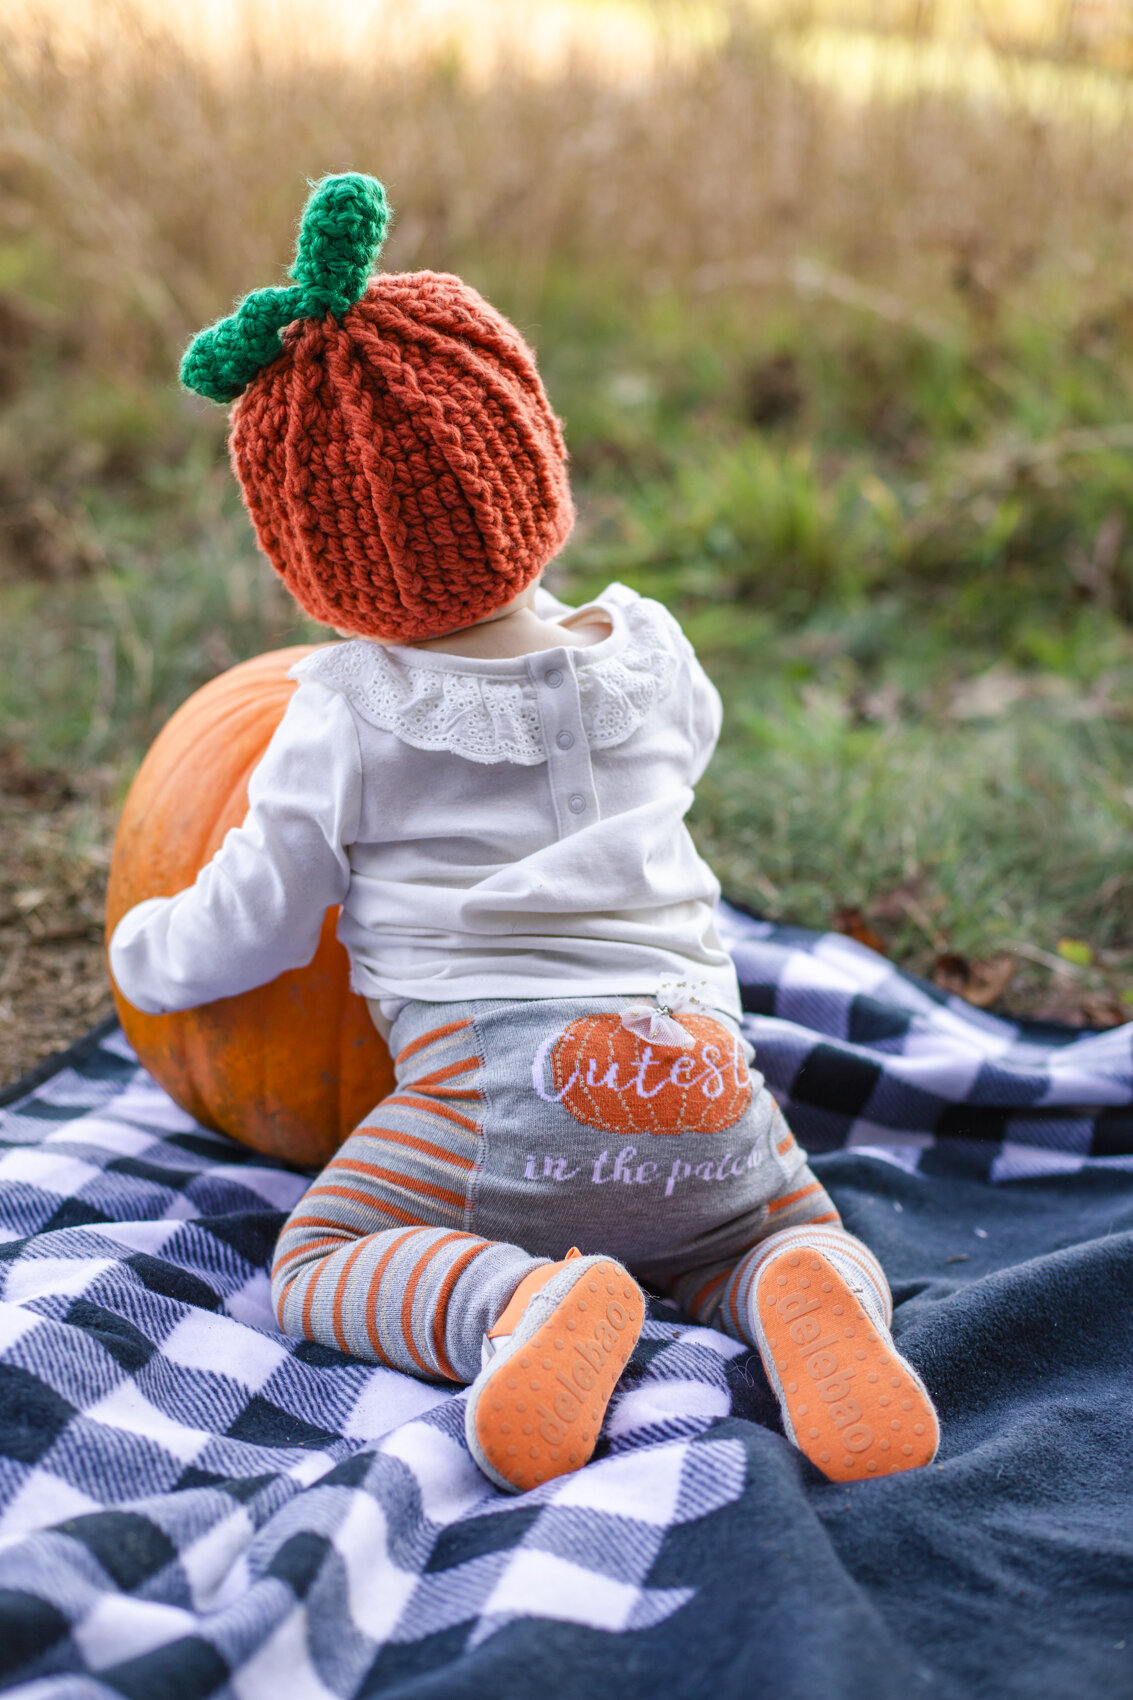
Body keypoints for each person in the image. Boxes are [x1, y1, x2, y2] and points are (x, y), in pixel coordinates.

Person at [109, 174, 939, 1495]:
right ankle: (793, 1284)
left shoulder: (344, 716)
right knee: (776, 1222)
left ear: (311, 557)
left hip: (494, 1107)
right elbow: (687, 761)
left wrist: (148, 953)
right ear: (533, 461)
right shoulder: (650, 651)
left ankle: (511, 1304)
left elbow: (252, 924)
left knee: (318, 1264)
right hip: (702, 1077)